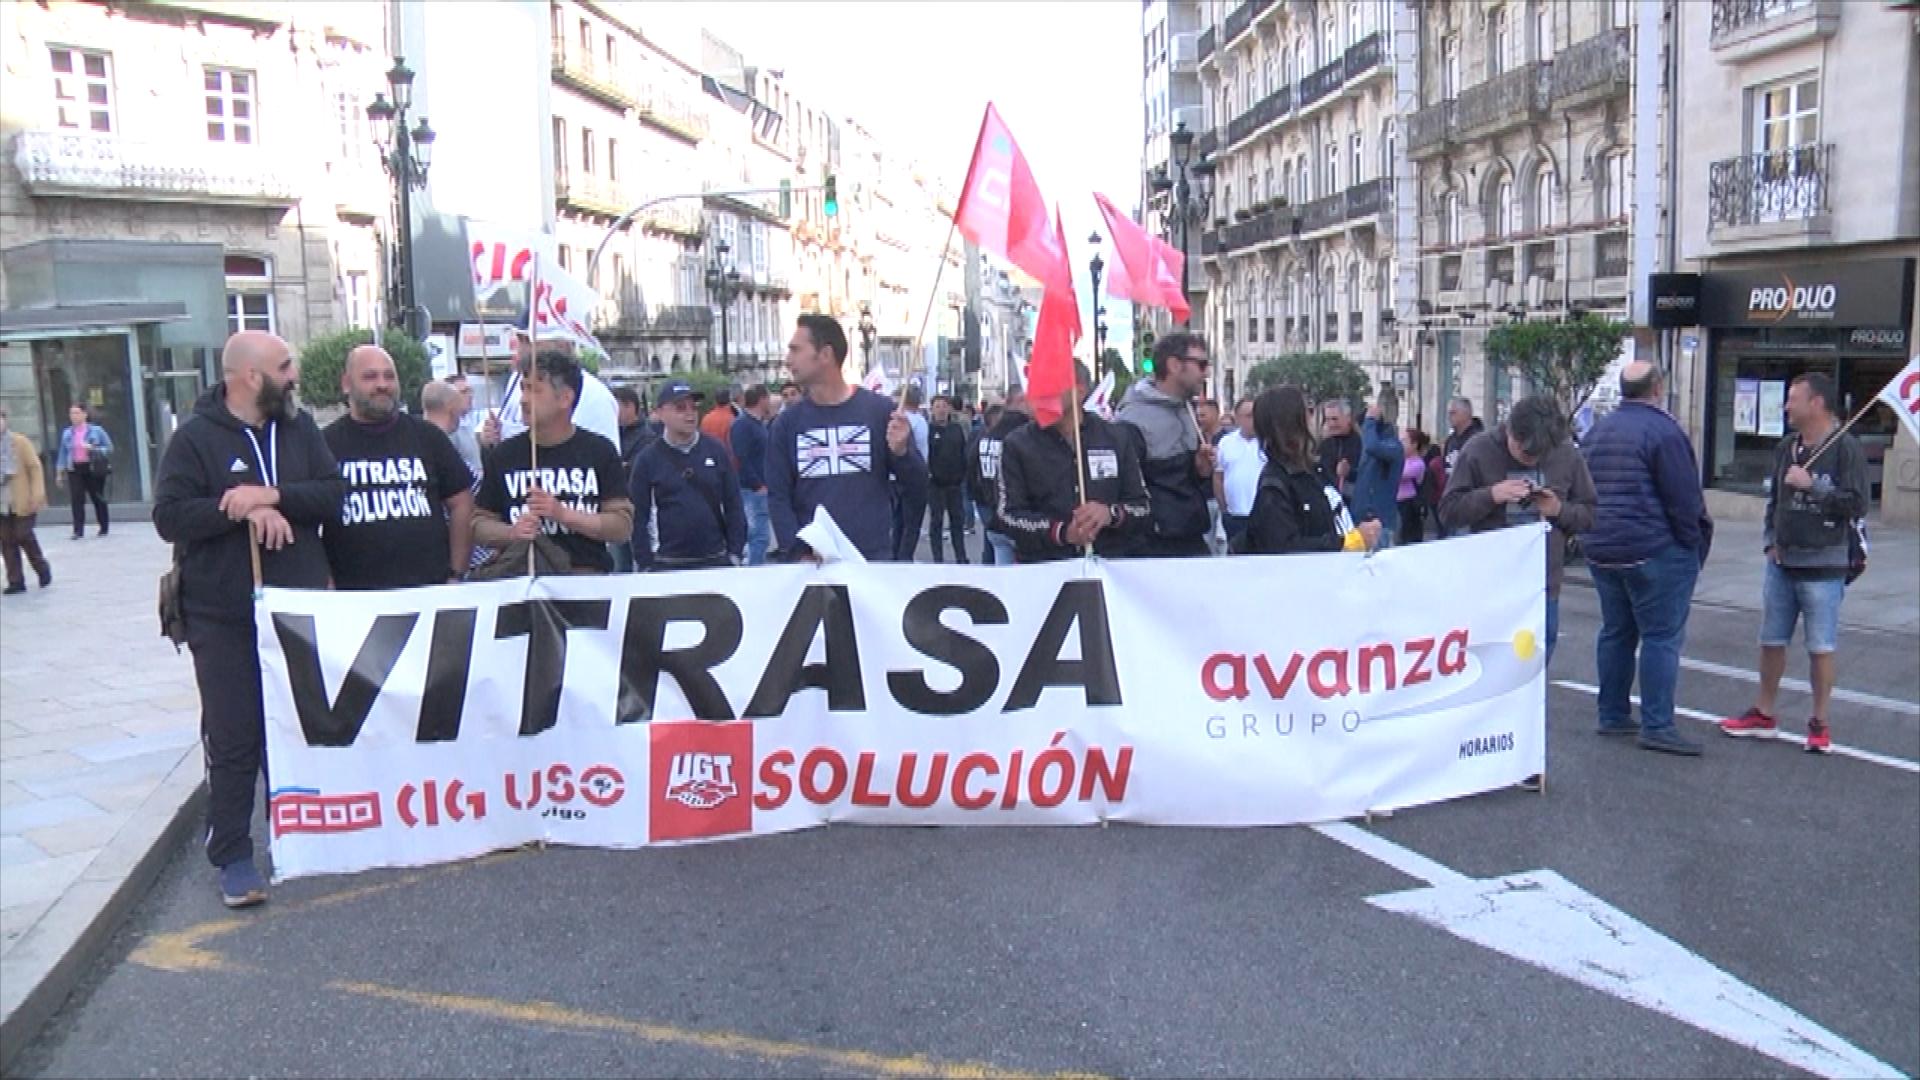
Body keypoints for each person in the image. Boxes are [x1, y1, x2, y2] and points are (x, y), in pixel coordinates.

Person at [153, 330, 344, 908]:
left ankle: (306, 835)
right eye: (284, 366)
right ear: (250, 377)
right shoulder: (195, 440)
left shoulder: (300, 428)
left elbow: (332, 494)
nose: (294, 376)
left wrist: (270, 496)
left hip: (297, 608)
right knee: (234, 732)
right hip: (222, 614)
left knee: (302, 725)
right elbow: (168, 516)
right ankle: (233, 853)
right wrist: (231, 506)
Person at [1719, 372, 1869, 754]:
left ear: (1816, 403)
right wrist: (1770, 540)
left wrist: (1812, 485)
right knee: (1770, 641)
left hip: (1824, 566)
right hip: (1782, 562)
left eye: (1793, 399)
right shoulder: (1787, 446)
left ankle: (1820, 722)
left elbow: (1857, 503)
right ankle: (1764, 713)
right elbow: (1776, 499)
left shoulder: (1845, 447)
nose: (1786, 406)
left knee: (1820, 647)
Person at [1581, 361, 1713, 756]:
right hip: (1653, 548)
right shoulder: (1664, 431)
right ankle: (1657, 723)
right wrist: (1693, 544)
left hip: (1602, 547)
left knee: (1617, 631)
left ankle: (1613, 712)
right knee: (1660, 636)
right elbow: (1684, 499)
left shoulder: (1598, 430)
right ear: (1657, 387)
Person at [1439, 395, 1597, 668]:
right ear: (1510, 431)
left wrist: (1559, 510)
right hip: (1490, 587)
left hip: (1542, 587)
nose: (1530, 460)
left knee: (1533, 676)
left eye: (1538, 456)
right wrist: (1492, 495)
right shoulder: (1479, 450)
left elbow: (1590, 514)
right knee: (1487, 672)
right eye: (1524, 453)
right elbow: (1448, 511)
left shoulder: (1566, 454)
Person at [767, 314, 922, 562]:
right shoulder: (786, 424)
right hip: (812, 567)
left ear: (825, 354)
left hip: (871, 563)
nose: (788, 360)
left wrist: (902, 453)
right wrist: (797, 552)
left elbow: (916, 486)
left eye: (796, 350)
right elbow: (778, 496)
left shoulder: (881, 413)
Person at [322, 347, 473, 590]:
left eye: (389, 376)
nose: (382, 384)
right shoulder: (325, 445)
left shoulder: (428, 437)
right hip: (355, 600)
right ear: (347, 383)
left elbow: (462, 503)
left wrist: (456, 573)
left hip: (429, 594)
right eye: (370, 377)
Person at [472, 348, 633, 575]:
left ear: (565, 398)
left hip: (584, 582)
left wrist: (563, 514)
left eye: (535, 390)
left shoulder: (599, 452)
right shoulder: (504, 455)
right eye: (523, 388)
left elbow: (621, 526)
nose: (524, 400)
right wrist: (511, 533)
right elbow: (479, 524)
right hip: (521, 583)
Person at [999, 361, 1150, 562]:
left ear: (1079, 392)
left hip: (1109, 569)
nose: (1039, 394)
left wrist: (1110, 514)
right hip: (1045, 570)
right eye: (1035, 385)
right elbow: (1007, 515)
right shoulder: (1016, 444)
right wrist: (1062, 532)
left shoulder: (1116, 437)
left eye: (1049, 386)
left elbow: (1142, 506)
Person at [1242, 385, 1379, 556]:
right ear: (1293, 423)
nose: (1317, 419)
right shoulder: (1276, 484)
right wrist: (1353, 542)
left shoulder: (1315, 470)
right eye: (1309, 411)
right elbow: (1284, 549)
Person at [1115, 331, 1216, 557]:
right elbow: (1128, 488)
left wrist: (1199, 469)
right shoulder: (1133, 420)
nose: (1206, 373)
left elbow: (1189, 480)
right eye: (1200, 364)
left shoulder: (1187, 409)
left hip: (1192, 536)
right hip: (1155, 545)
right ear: (1174, 365)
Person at [629, 380, 745, 571]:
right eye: (680, 408)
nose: (690, 414)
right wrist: (646, 563)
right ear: (660, 413)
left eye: (693, 407)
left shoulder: (716, 450)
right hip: (667, 564)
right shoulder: (647, 460)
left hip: (716, 561)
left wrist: (735, 553)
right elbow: (638, 517)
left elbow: (733, 504)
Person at [480, 331, 621, 453]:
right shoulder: (515, 382)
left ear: (561, 346)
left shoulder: (597, 397)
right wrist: (490, 441)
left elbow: (604, 464)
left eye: (528, 340)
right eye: (520, 339)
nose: (521, 348)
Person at [969, 393, 1030, 566]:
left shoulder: (985, 436)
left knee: (999, 572)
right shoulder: (1022, 434)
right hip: (1018, 518)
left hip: (992, 512)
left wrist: (980, 499)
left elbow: (972, 466)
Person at [0, 405, 52, 593]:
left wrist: (37, 494)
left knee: (23, 535)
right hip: (2, 502)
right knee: (6, 541)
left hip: (23, 498)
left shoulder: (20, 442)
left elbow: (34, 467)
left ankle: (41, 567)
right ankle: (15, 581)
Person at [607, 386, 653, 572]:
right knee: (619, 560)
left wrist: (623, 466)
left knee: (639, 554)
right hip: (617, 504)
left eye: (615, 407)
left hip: (637, 505)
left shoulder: (646, 436)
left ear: (630, 407)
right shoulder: (613, 433)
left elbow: (637, 468)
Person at [729, 385, 774, 566]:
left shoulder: (756, 423)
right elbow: (741, 457)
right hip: (751, 489)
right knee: (758, 535)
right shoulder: (743, 424)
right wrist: (757, 484)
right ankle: (753, 570)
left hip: (757, 486)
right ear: (762, 399)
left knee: (760, 535)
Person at [1351, 399, 1406, 547]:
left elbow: (1372, 447)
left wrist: (1370, 420)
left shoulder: (1393, 447)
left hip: (1381, 524)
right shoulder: (1370, 450)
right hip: (1362, 522)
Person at [925, 394, 971, 564]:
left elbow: (962, 452)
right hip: (935, 485)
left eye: (944, 406)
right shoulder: (928, 431)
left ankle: (961, 556)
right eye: (937, 406)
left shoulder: (956, 429)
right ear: (932, 410)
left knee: (957, 521)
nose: (941, 410)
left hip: (955, 484)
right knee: (936, 521)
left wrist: (963, 475)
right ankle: (938, 558)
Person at [55, 403, 112, 539]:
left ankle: (103, 526)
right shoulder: (68, 433)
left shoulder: (96, 431)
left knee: (97, 497)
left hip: (92, 467)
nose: (73, 416)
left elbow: (109, 448)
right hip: (75, 468)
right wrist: (59, 472)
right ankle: (78, 530)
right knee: (77, 499)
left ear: (84, 414)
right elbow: (63, 453)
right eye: (71, 413)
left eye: (76, 413)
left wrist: (93, 449)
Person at [1213, 398, 1263, 546]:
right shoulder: (1226, 443)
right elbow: (1218, 476)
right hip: (1235, 516)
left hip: (1263, 516)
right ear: (1237, 418)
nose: (1254, 420)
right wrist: (1224, 509)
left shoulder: (1268, 443)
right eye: (1248, 415)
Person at [422, 378, 485, 487]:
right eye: (463, 392)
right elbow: (477, 488)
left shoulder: (413, 442)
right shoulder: (445, 449)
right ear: (451, 407)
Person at [892, 383, 931, 560]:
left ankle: (899, 556)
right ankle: (904, 557)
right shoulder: (920, 421)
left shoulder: (904, 421)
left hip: (901, 478)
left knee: (900, 523)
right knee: (910, 523)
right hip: (916, 477)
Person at [1317, 399, 1362, 501]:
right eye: (1328, 419)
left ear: (1348, 419)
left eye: (1335, 419)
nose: (1331, 424)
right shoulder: (1325, 444)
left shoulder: (1360, 443)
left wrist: (1349, 472)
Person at [1396, 429, 1431, 544]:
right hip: (1398, 505)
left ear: (1414, 444)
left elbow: (1399, 475)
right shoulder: (1402, 461)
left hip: (1409, 506)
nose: (1401, 444)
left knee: (1408, 540)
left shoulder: (1418, 463)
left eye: (1404, 441)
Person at [1443, 396, 1485, 476]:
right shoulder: (1450, 440)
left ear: (1466, 413)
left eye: (1453, 413)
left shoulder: (1478, 440)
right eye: (1449, 413)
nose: (1449, 417)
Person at [700, 386, 738, 461]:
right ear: (730, 400)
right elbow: (734, 449)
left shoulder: (706, 419)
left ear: (715, 400)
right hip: (727, 464)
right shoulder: (733, 420)